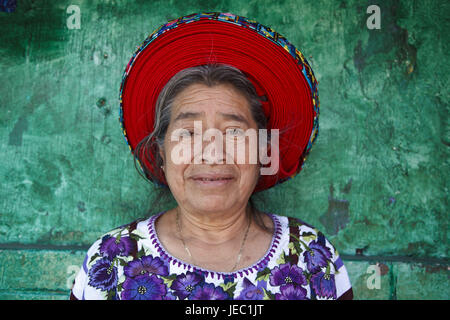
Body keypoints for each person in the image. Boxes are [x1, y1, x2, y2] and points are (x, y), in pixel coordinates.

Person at [70, 12, 353, 300]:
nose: (212, 152)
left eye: (233, 132)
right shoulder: (112, 261)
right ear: (161, 153)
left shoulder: (310, 257)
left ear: (263, 150)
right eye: (188, 133)